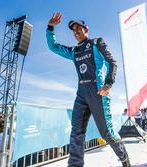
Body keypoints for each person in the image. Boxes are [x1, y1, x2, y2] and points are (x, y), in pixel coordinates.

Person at [46, 12, 130, 167]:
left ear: (86, 29)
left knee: (107, 133)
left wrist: (108, 84)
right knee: (76, 133)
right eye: (74, 30)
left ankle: (124, 158)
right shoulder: (74, 51)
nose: (76, 32)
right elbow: (54, 47)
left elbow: (113, 62)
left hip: (98, 92)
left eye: (79, 28)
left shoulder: (97, 42)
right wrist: (50, 27)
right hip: (81, 94)